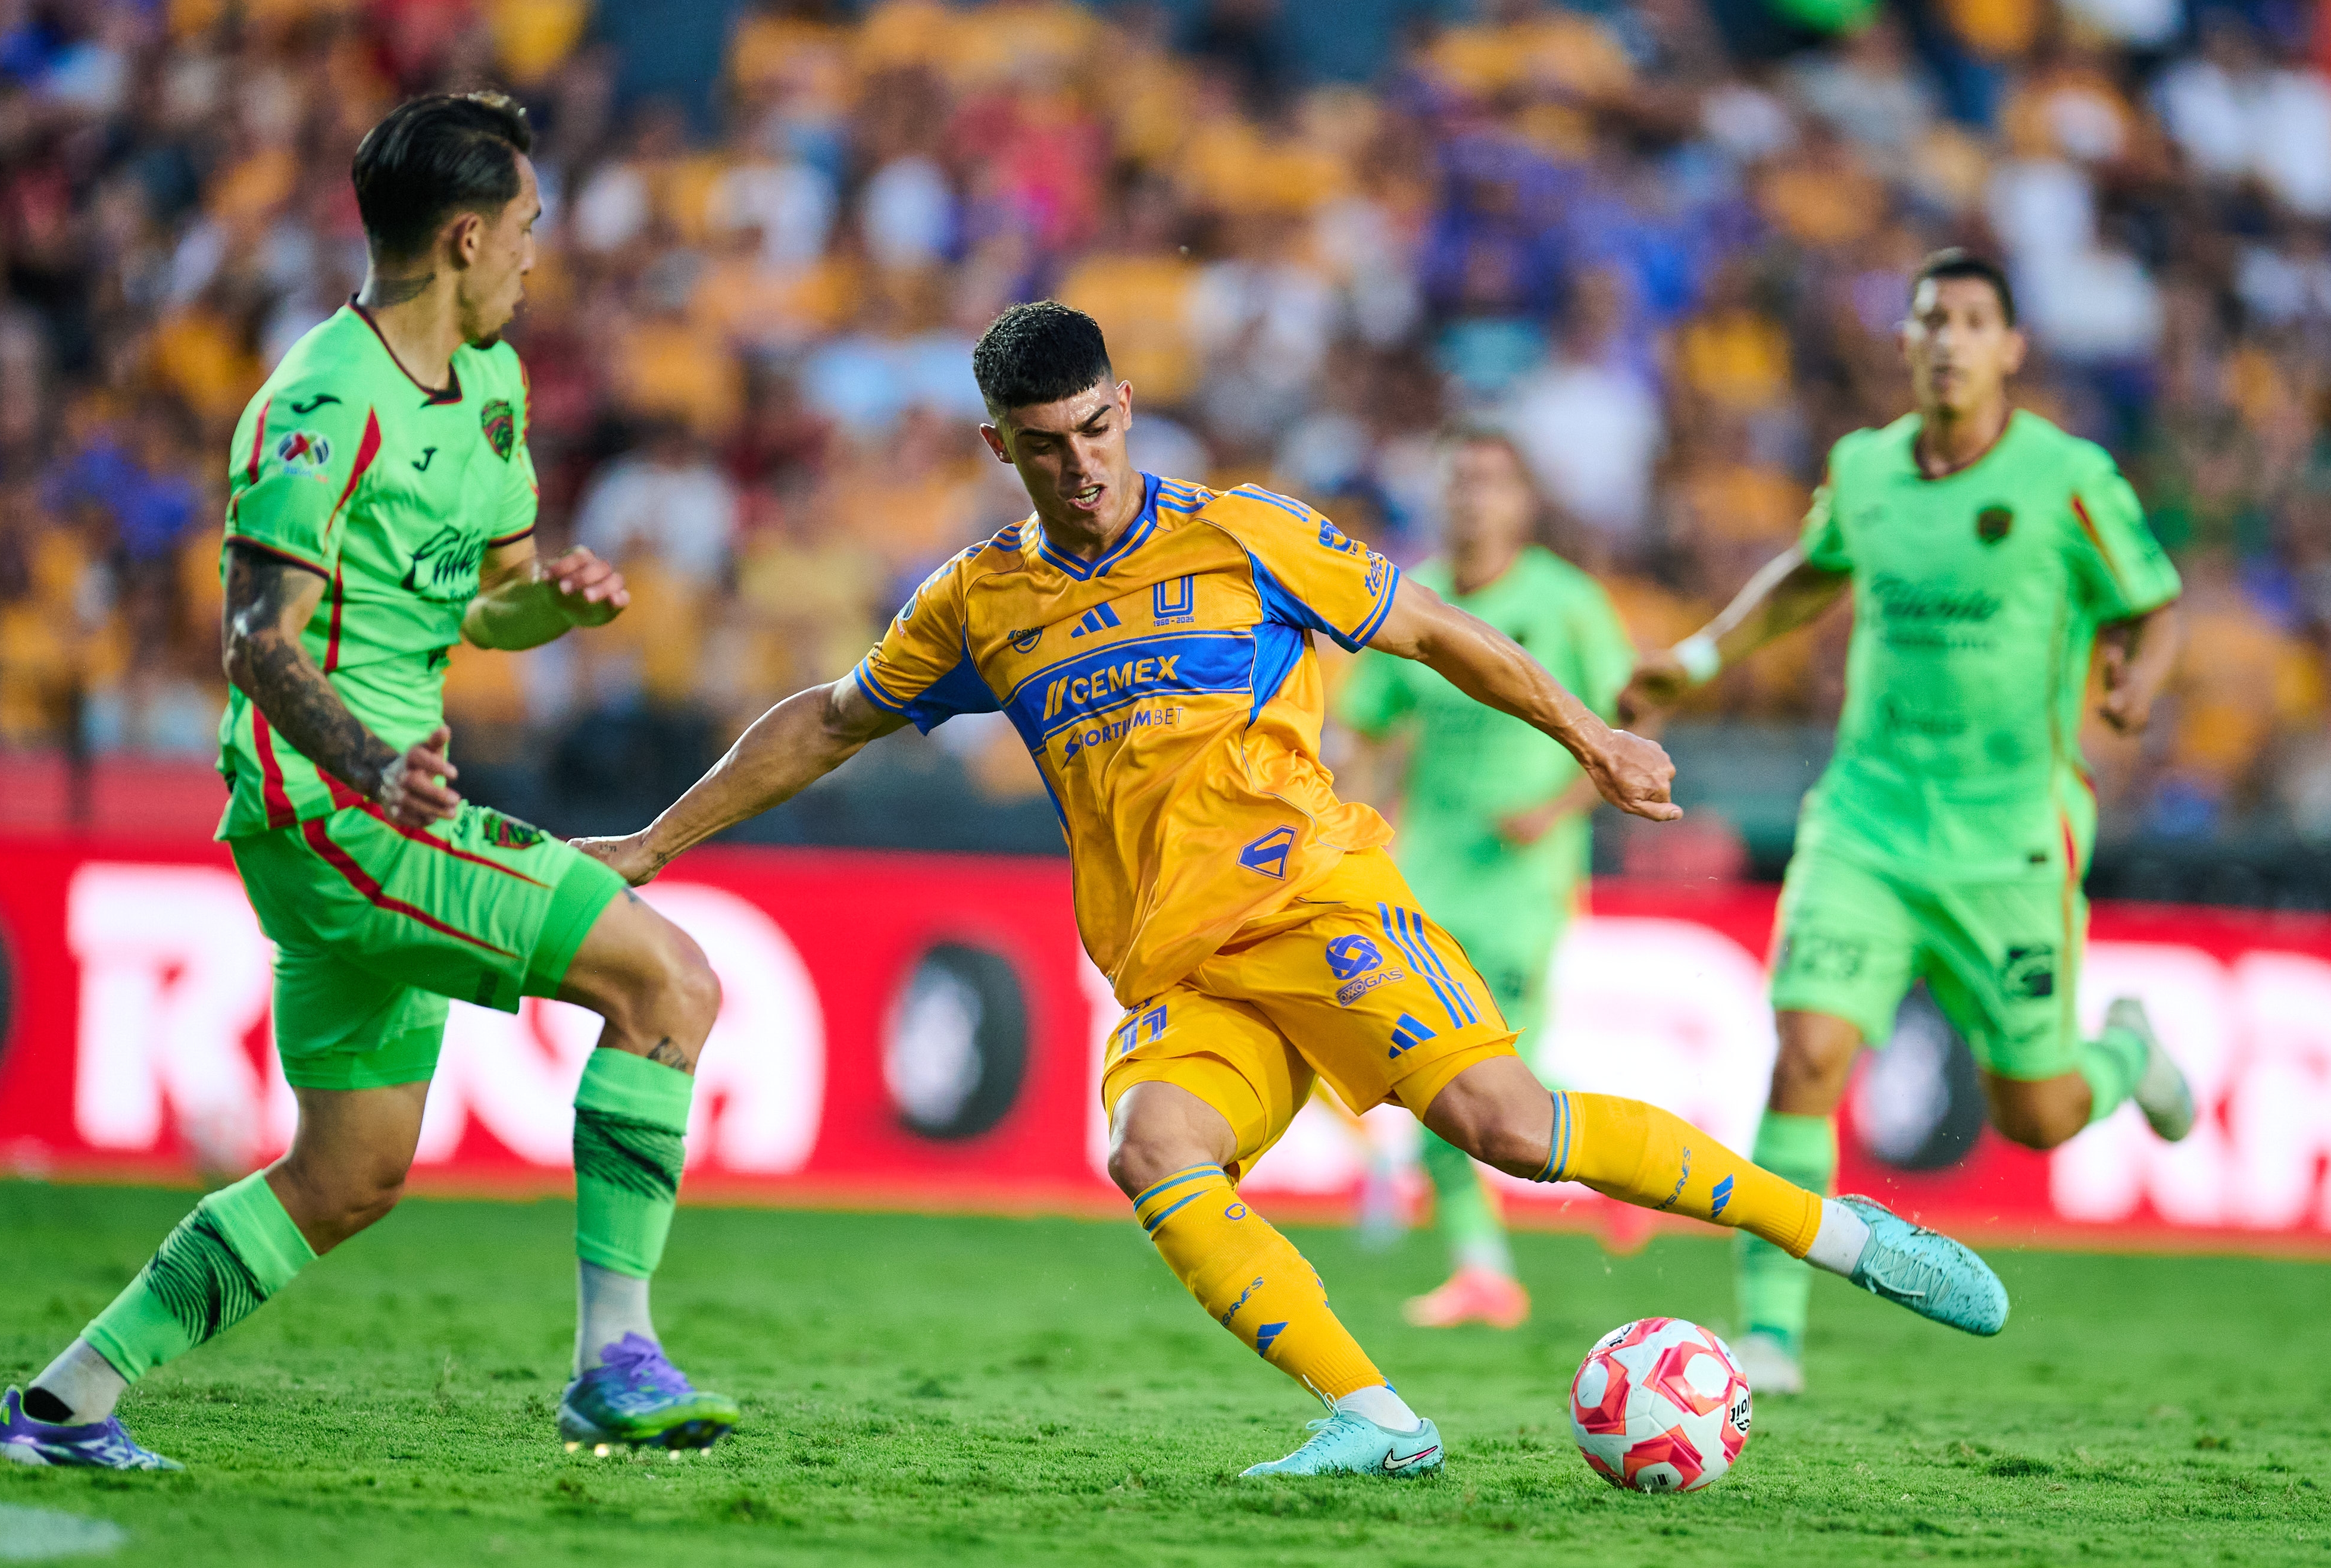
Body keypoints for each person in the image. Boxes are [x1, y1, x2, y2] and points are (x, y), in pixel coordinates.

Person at [574, 300, 2011, 1479]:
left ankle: (1836, 1231)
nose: (1078, 468)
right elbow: (825, 719)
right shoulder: (975, 604)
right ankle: (1377, 1417)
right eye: (1041, 448)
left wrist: (1588, 736)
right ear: (993, 447)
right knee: (1153, 1150)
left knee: (1506, 1128)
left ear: (1124, 403)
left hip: (1316, 902)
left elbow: (1439, 631)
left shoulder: (1246, 533)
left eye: (1094, 430)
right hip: (1176, 964)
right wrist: (649, 844)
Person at [0, 93, 742, 1472]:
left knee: (347, 1176)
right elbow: (254, 643)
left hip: (381, 802)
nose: (535, 252)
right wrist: (372, 764)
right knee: (670, 985)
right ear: (463, 237)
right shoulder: (321, 403)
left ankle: (60, 1405)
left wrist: (550, 606)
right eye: (524, 228)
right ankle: (612, 1357)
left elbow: (489, 606)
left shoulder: (496, 388)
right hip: (336, 810)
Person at [1621, 249, 2196, 1398]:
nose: (1950, 340)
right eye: (1932, 318)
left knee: (2036, 1116)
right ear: (1905, 341)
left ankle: (2128, 1048)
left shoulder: (2066, 476)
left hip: (2012, 838)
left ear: (2010, 349)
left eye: (1975, 322)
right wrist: (1694, 658)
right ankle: (1770, 1339)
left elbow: (2155, 596)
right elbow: (1808, 572)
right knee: (1808, 1054)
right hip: (1868, 826)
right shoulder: (1867, 468)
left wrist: (2137, 680)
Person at [1336, 430, 1633, 1329]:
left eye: (1491, 482)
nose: (1472, 498)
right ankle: (1481, 1268)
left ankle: (1618, 1161)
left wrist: (1552, 810)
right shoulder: (1413, 600)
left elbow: (1624, 730)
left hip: (1522, 881)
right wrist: (1352, 823)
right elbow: (1369, 730)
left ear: (1523, 502)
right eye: (1458, 480)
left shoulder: (1567, 603)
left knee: (1497, 1075)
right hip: (1426, 876)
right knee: (1420, 1066)